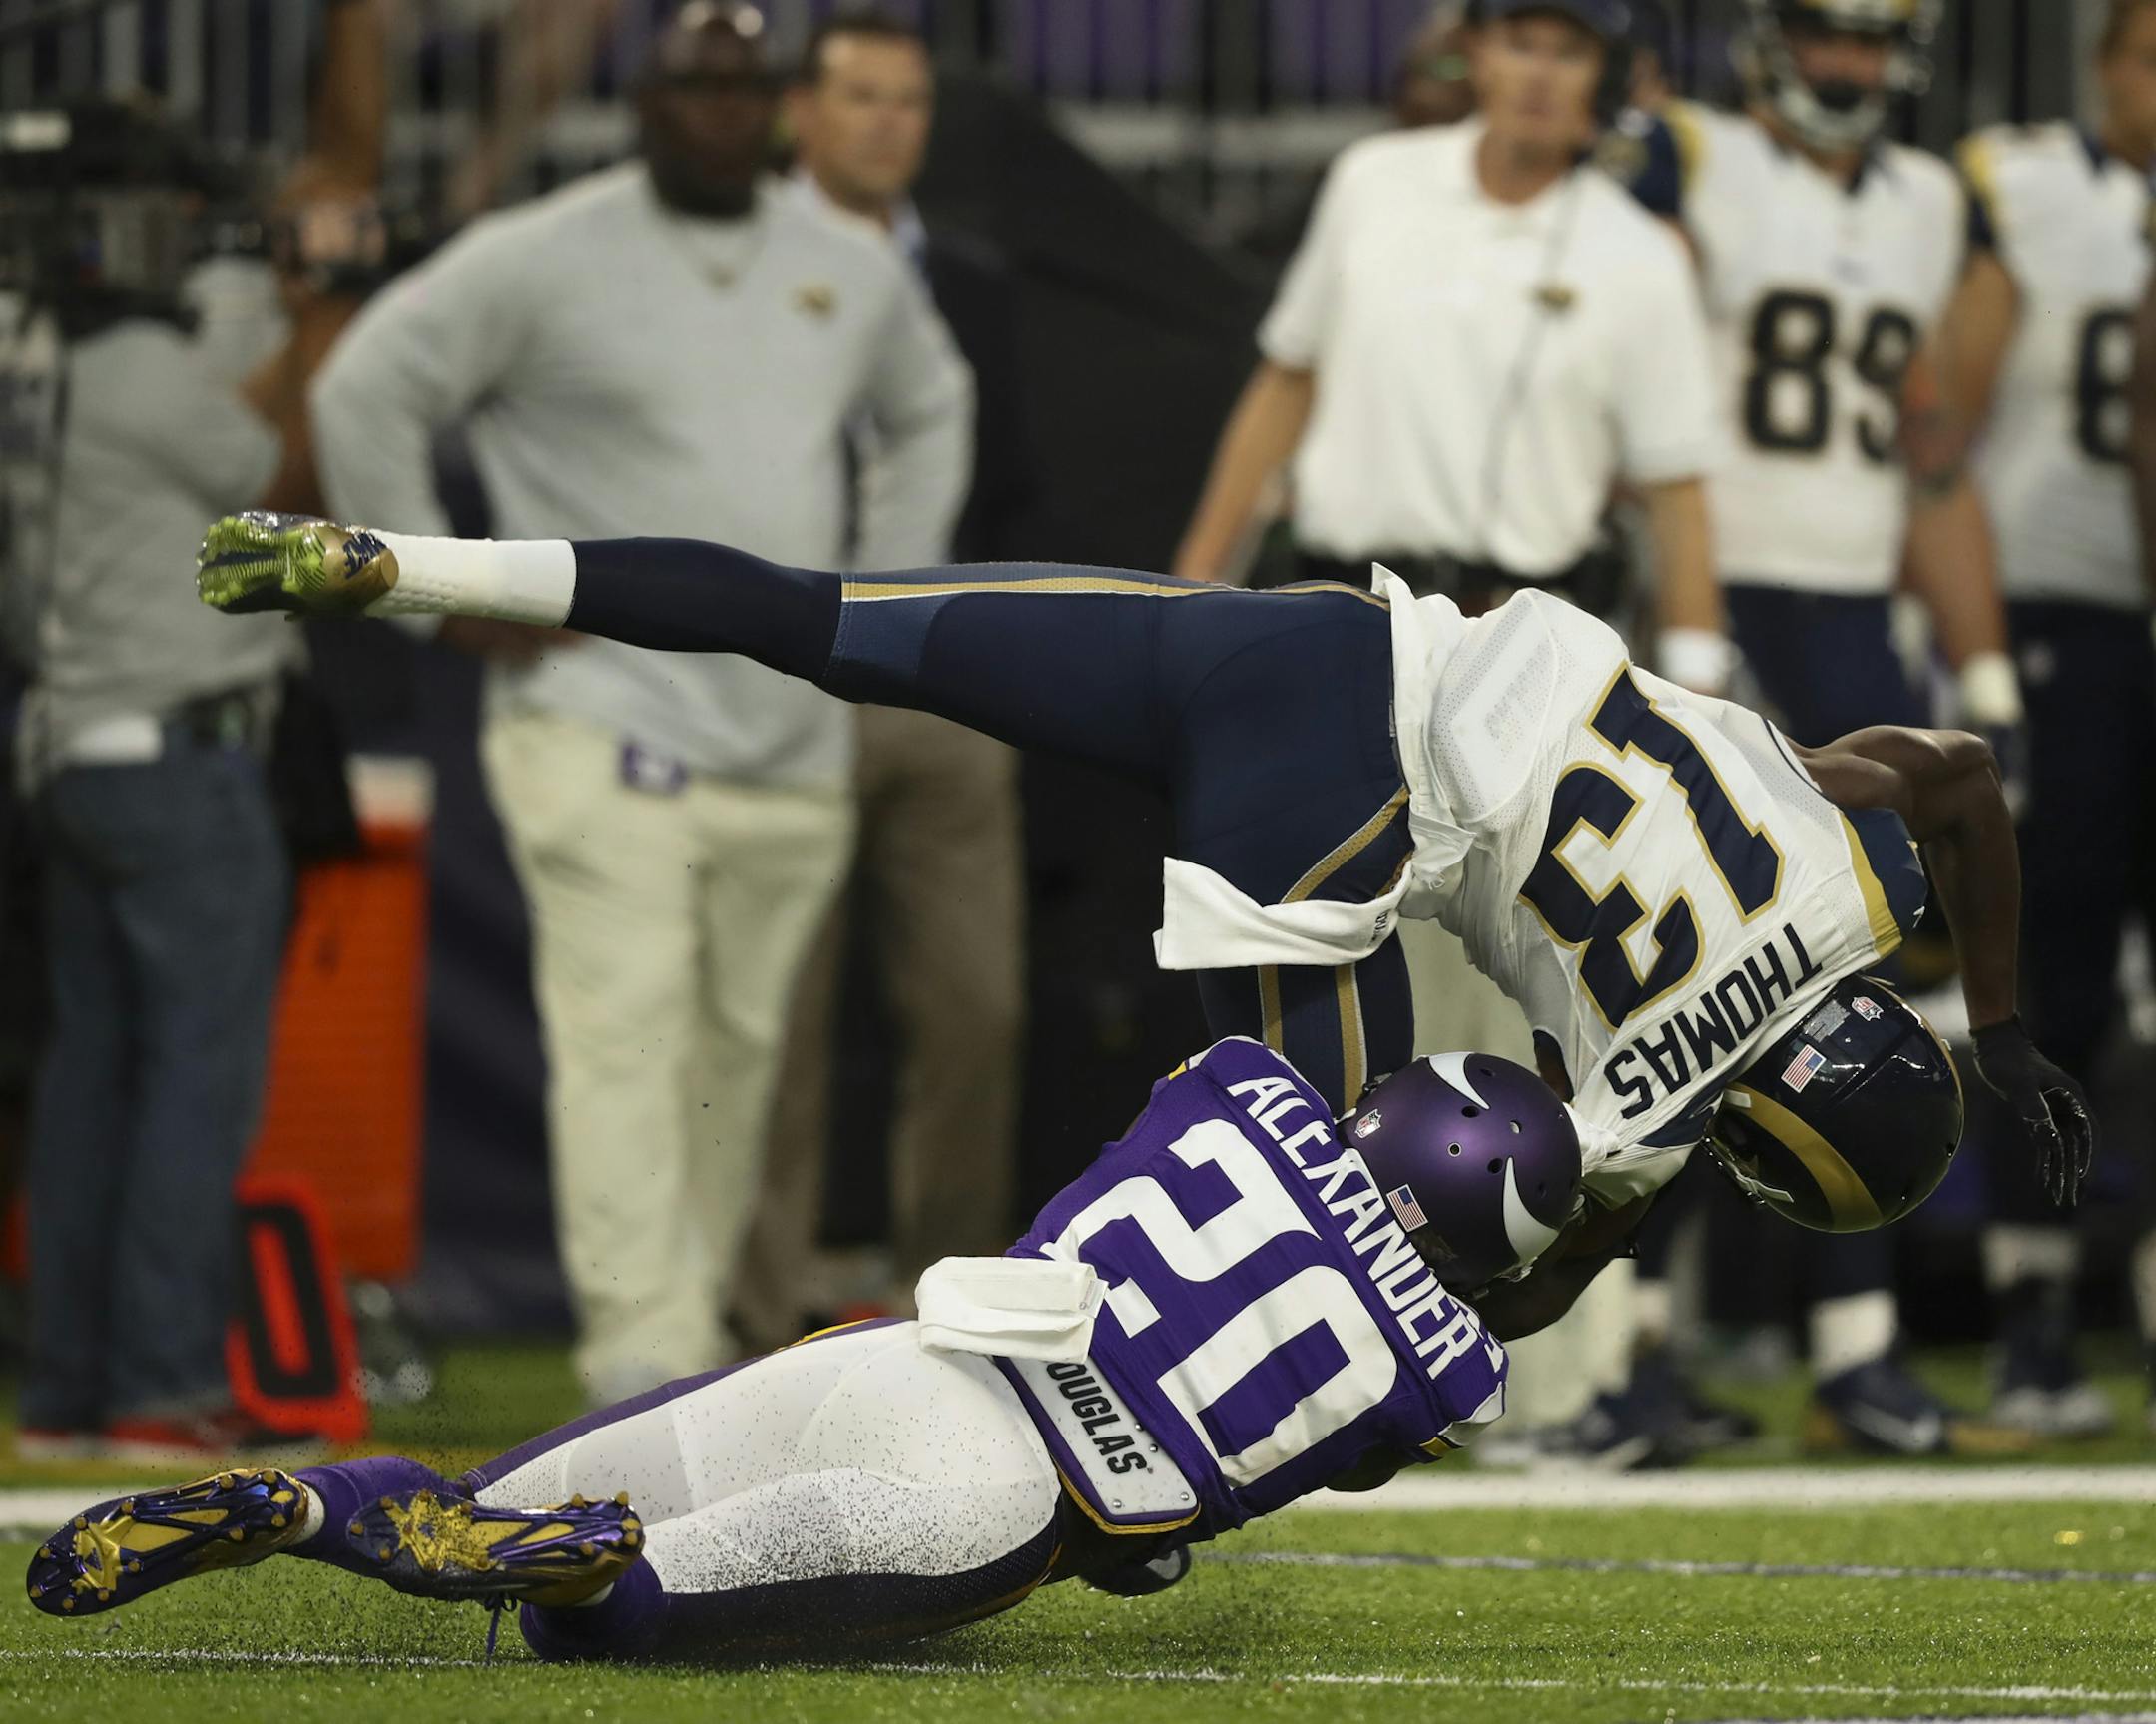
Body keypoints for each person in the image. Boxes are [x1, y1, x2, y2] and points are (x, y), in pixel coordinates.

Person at [195, 497, 2092, 1354]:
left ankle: (395, 561)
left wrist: (1998, 1022)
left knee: (824, 611)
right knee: (1320, 1236)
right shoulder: (1660, 1109)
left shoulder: (1845, 852)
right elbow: (1517, 1277)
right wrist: (1558, 1217)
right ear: (1779, 1131)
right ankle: (1010, 1365)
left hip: (1317, 637)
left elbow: (1958, 779)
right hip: (1341, 804)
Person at [28, 1040, 1562, 1660]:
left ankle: (299, 1506)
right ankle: (574, 1560)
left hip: (903, 1357)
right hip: (998, 1492)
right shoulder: (1452, 1366)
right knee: (599, 1609)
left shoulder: (1237, 1080)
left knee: (469, 1495)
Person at [305, 1, 972, 1405]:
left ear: (779, 106)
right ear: (643, 100)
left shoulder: (843, 268)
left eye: (744, 87)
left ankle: (684, 1352)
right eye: (693, 85)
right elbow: (366, 380)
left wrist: (881, 598)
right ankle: (642, 1361)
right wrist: (434, 585)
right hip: (600, 721)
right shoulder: (543, 253)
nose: (720, 110)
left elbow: (933, 403)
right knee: (627, 1042)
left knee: (733, 1061)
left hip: (791, 740)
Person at [1614, 0, 2033, 1455]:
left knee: (1878, 993)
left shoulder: (1929, 203)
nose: (1851, 66)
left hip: (1854, 612)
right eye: (1829, 34)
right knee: (1676, 970)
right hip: (1705, 604)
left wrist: (1983, 677)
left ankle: (1858, 1355)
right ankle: (1637, 1349)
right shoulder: (1686, 155)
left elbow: (1931, 456)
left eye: (1873, 41)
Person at [3, 99, 373, 1465]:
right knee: (192, 1081)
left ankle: (67, 1390)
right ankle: (157, 1382)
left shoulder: (31, 345)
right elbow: (277, 477)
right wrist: (321, 318)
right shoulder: (140, 371)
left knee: (91, 1074)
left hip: (68, 745)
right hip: (173, 751)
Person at [736, 11, 1031, 1344]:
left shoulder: (971, 279)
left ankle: (948, 1303)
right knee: (772, 1017)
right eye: (859, 97)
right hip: (772, 680)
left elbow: (1019, 474)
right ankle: (758, 1309)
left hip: (943, 677)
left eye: (906, 102)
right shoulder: (725, 262)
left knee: (980, 1003)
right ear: (800, 109)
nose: (884, 124)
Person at [1175, 0, 1729, 698]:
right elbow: (1286, 387)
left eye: (1569, 53)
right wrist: (1193, 587)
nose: (1540, 76)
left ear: (1607, 77)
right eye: (1521, 43)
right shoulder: (1370, 181)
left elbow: (1677, 490)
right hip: (1337, 615)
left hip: (1526, 657)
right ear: (1476, 54)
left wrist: (1700, 689)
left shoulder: (1643, 256)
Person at [1955, 0, 2156, 1437]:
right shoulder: (2016, 182)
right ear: (2104, 65)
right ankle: (2032, 1307)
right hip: (2059, 608)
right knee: (2056, 955)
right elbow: (1937, 404)